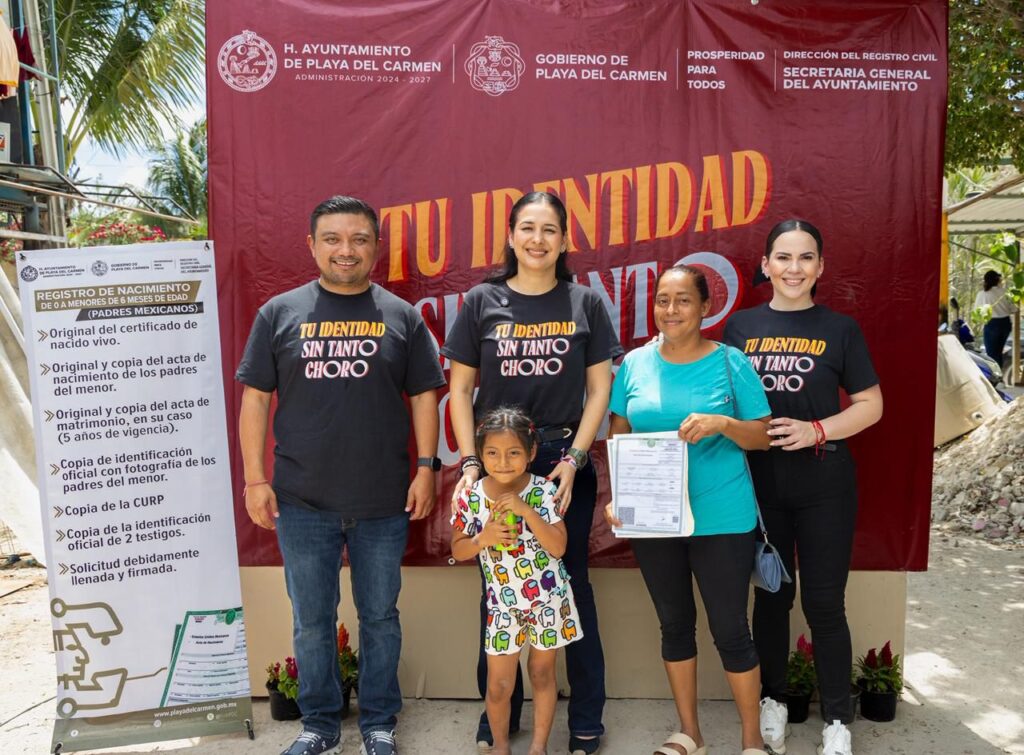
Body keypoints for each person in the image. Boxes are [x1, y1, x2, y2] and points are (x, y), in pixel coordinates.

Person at [236, 195, 446, 755]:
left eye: (358, 239)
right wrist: (255, 479)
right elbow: (255, 400)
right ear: (312, 245)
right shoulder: (278, 313)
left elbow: (425, 396)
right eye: (332, 238)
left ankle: (379, 722)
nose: (345, 250)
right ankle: (320, 724)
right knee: (311, 621)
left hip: (382, 501)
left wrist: (426, 468)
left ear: (376, 247)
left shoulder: (402, 316)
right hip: (302, 501)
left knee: (380, 617)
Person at [442, 191, 622, 755]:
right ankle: (499, 715)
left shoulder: (585, 303)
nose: (537, 239)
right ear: (511, 236)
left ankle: (585, 719)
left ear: (565, 240)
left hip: (562, 461)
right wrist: (472, 462)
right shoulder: (482, 300)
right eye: (527, 227)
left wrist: (574, 460)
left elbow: (600, 391)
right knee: (497, 583)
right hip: (498, 464)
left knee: (572, 585)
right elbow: (459, 390)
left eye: (549, 229)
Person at [723, 218, 883, 755]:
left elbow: (871, 405)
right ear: (766, 265)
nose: (795, 268)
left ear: (820, 267)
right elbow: (723, 399)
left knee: (824, 603)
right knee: (772, 596)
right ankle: (773, 701)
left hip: (824, 482)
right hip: (760, 484)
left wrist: (817, 429)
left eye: (806, 257)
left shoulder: (841, 329)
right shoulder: (741, 328)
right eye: (784, 257)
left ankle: (837, 719)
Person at [604, 264, 772, 755]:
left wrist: (723, 423)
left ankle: (752, 740)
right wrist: (621, 492)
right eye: (663, 300)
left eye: (682, 300)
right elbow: (619, 430)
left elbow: (763, 436)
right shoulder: (634, 364)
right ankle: (689, 733)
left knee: (730, 629)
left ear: (704, 307)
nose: (671, 309)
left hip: (722, 517)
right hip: (654, 519)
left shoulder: (730, 363)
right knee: (674, 626)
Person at [451, 407, 583, 755]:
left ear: (531, 453)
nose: (503, 462)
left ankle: (538, 747)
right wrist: (483, 538)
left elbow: (558, 547)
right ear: (480, 455)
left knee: (542, 673)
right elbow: (458, 549)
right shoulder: (472, 496)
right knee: (498, 684)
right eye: (493, 453)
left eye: (513, 453)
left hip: (547, 601)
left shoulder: (544, 491)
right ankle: (501, 746)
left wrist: (527, 511)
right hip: (502, 606)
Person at [975, 270, 1015, 368]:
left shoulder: (982, 294)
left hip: (991, 324)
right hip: (1005, 323)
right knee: (998, 352)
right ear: (997, 280)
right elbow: (1014, 309)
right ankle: (999, 373)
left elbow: (977, 312)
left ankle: (995, 375)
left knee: (992, 354)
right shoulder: (1005, 292)